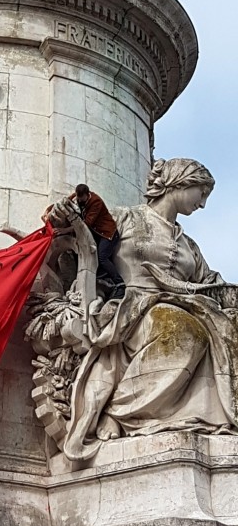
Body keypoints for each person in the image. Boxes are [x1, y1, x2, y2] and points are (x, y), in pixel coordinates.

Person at [64, 159, 238, 461]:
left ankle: (198, 414)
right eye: (201, 192)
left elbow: (210, 282)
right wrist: (63, 216)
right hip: (132, 308)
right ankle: (119, 410)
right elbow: (79, 234)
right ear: (179, 183)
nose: (203, 204)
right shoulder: (127, 219)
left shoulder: (190, 246)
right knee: (182, 331)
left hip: (183, 307)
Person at [71, 184, 125, 299]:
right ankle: (103, 277)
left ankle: (120, 283)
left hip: (108, 234)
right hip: (98, 235)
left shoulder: (96, 202)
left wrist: (65, 229)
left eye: (82, 198)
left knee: (102, 257)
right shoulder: (78, 197)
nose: (79, 200)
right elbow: (68, 200)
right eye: (78, 198)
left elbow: (85, 224)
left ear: (87, 194)